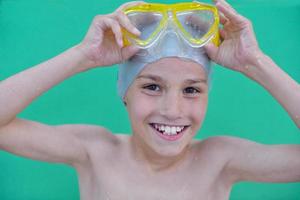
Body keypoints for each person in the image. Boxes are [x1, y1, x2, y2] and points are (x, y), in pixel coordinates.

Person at [0, 0, 299, 199]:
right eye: (152, 87)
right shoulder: (94, 151)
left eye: (191, 90)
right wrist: (83, 56)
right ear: (124, 92)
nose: (172, 110)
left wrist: (255, 63)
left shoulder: (219, 160)